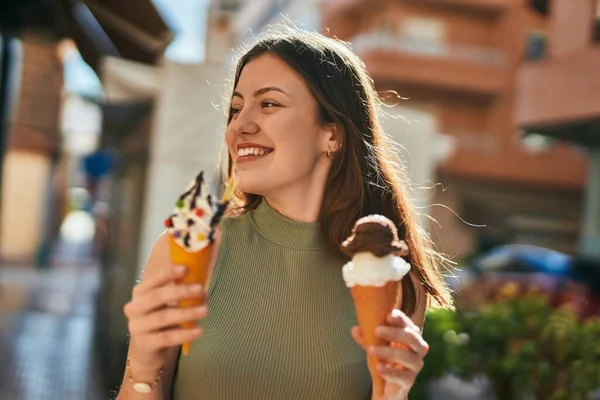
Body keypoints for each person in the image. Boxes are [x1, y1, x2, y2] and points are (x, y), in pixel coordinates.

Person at [117, 26, 454, 400]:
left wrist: (393, 395)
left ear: (332, 135)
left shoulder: (396, 283)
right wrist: (143, 370)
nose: (239, 126)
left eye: (269, 104)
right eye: (235, 108)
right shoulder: (191, 250)